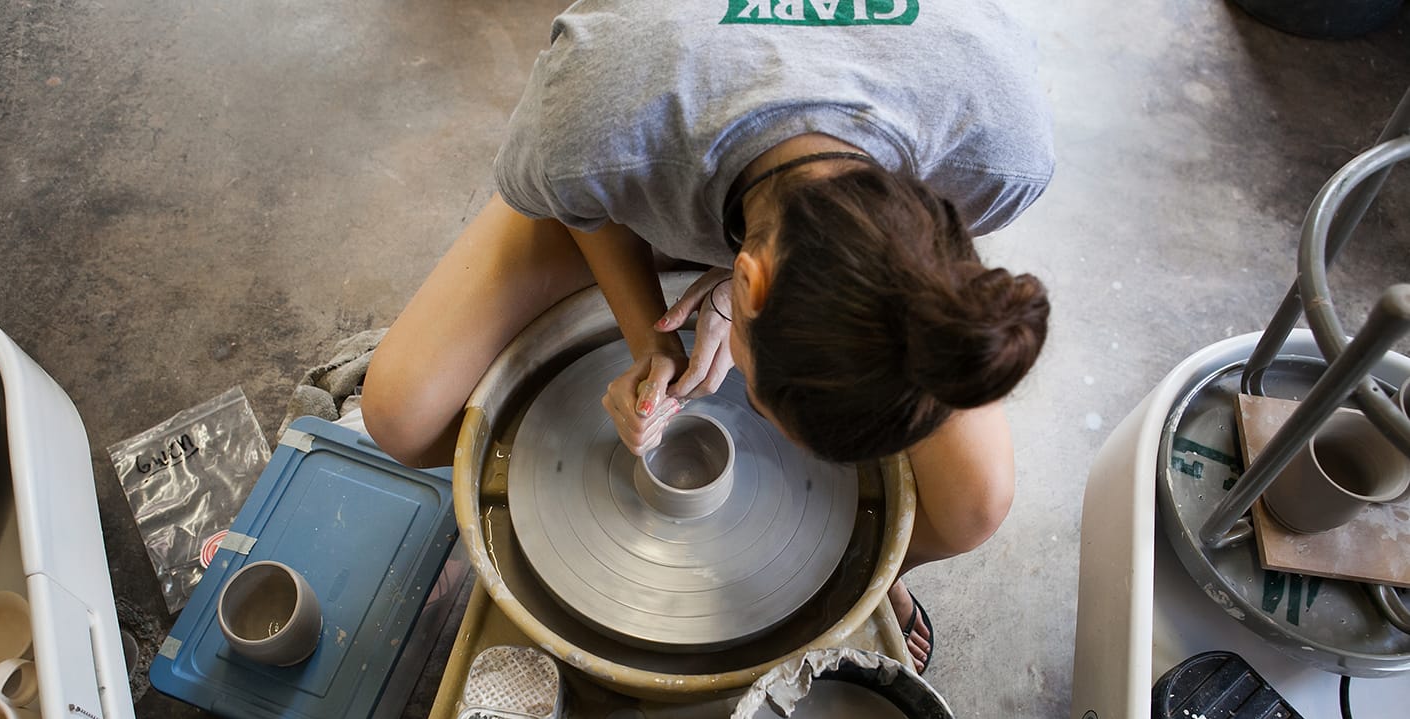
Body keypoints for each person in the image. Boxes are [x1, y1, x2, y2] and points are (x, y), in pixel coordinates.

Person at [362, 0, 1054, 673]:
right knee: (403, 416)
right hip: (650, 168)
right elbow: (581, 196)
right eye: (755, 402)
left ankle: (874, 576)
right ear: (754, 280)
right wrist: (650, 337)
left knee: (973, 504)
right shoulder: (599, 111)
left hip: (772, 220)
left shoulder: (999, 150)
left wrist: (729, 293)